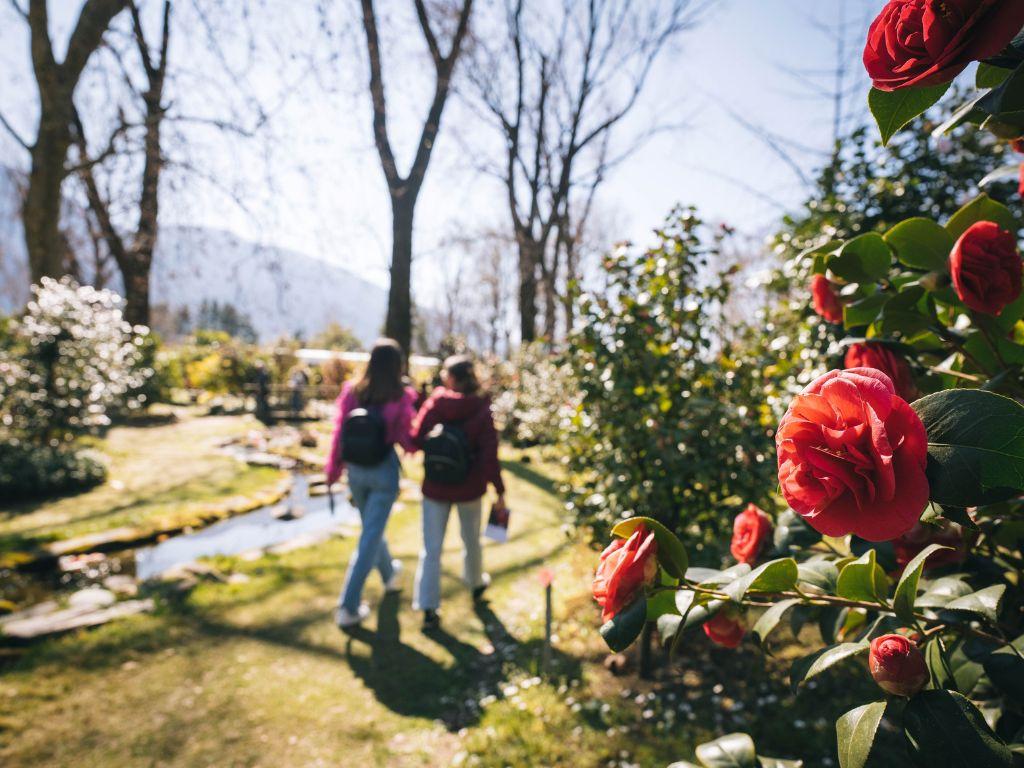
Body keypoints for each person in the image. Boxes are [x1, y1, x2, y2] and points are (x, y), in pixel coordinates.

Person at [325, 339, 417, 628]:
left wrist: (332, 470)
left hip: (355, 472)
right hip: (382, 472)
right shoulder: (400, 396)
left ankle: (389, 575)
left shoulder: (353, 392)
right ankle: (347, 607)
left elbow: (339, 432)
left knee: (371, 530)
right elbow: (407, 440)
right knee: (370, 536)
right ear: (397, 365)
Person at [411, 354, 507, 628]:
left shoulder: (436, 404)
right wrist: (499, 491)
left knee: (431, 549)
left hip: (435, 487)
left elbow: (416, 439)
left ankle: (429, 607)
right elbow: (490, 455)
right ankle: (476, 584)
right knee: (471, 541)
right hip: (470, 488)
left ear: (451, 378)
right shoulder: (481, 408)